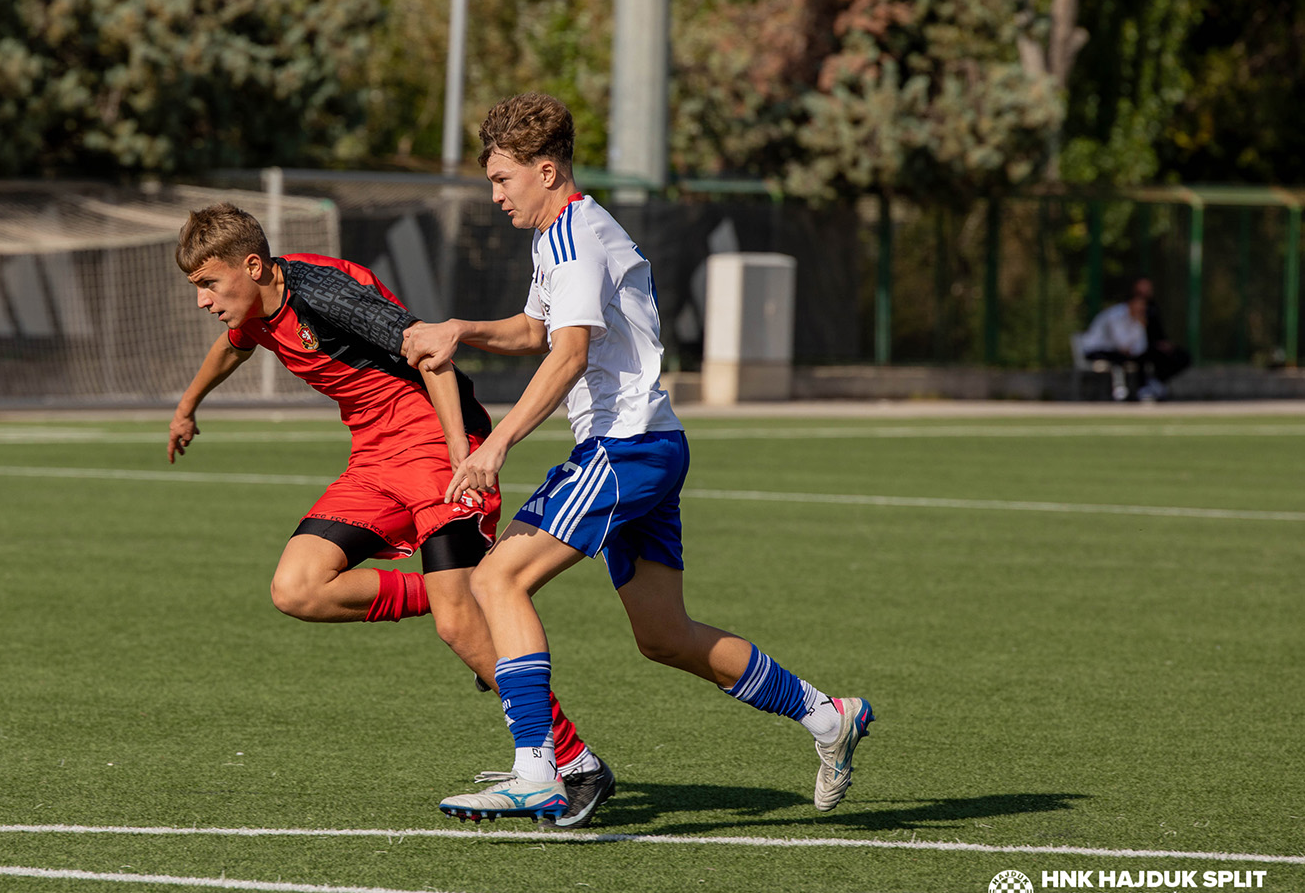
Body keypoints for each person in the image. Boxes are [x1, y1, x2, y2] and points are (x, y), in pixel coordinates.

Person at [402, 93, 873, 822]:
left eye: (503, 180)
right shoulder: (561, 233)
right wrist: (462, 328)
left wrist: (495, 445)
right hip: (651, 444)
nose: (494, 196)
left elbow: (567, 355)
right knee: (663, 636)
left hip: (623, 446)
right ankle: (825, 716)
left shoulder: (572, 239)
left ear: (546, 170)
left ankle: (537, 766)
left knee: (496, 580)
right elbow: (536, 329)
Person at [169, 202, 615, 827]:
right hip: (374, 460)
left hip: (435, 446)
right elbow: (231, 348)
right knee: (296, 588)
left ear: (252, 266)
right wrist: (189, 405)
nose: (203, 301)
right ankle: (448, 595)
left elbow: (429, 352)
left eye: (209, 285)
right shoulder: (255, 308)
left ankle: (576, 764)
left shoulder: (326, 292)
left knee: (461, 628)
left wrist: (464, 455)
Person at [1079, 290, 1150, 400]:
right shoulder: (1115, 315)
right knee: (1118, 358)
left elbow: (1140, 347)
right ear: (1131, 303)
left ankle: (1144, 390)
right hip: (1094, 349)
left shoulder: (1137, 319)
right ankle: (1119, 388)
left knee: (1142, 358)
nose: (1142, 308)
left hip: (1114, 351)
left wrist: (1140, 327)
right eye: (1139, 304)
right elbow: (1121, 344)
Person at [1132, 277, 1191, 399]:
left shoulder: (1153, 307)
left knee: (1182, 357)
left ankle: (1156, 382)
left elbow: (1157, 330)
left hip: (1154, 345)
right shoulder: (1127, 309)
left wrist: (1163, 342)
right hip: (1136, 346)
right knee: (1141, 356)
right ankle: (1144, 387)